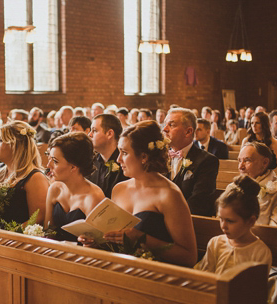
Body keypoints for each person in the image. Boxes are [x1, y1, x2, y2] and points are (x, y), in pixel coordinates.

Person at [80, 119, 197, 266]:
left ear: (143, 157)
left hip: (155, 274)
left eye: (124, 153)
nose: (118, 159)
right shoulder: (119, 189)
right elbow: (115, 241)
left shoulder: (169, 194)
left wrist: (142, 238)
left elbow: (189, 256)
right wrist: (96, 242)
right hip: (119, 268)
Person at [197, 177, 272, 274]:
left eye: (230, 221)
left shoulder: (260, 253)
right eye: (221, 219)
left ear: (250, 221)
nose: (223, 226)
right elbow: (204, 276)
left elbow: (255, 287)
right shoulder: (215, 243)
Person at [44, 132, 105, 235]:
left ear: (73, 167)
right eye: (49, 159)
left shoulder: (94, 197)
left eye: (55, 161)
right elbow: (47, 231)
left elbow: (96, 241)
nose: (48, 165)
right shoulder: (55, 189)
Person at [163, 107, 219, 215]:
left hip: (189, 222)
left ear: (188, 132)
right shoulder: (160, 157)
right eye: (165, 124)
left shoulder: (207, 161)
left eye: (171, 125)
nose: (165, 129)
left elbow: (199, 203)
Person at [0, 119, 49, 224]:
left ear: (15, 145)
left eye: (0, 140)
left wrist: (10, 235)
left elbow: (38, 219)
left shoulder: (35, 178)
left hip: (16, 237)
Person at [231, 141, 277, 227]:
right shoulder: (232, 187)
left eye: (247, 160)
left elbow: (275, 231)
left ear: (265, 163)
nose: (240, 167)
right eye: (239, 161)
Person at [88, 113, 127, 197]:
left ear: (109, 134)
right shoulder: (91, 162)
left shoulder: (125, 162)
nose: (89, 135)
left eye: (94, 130)